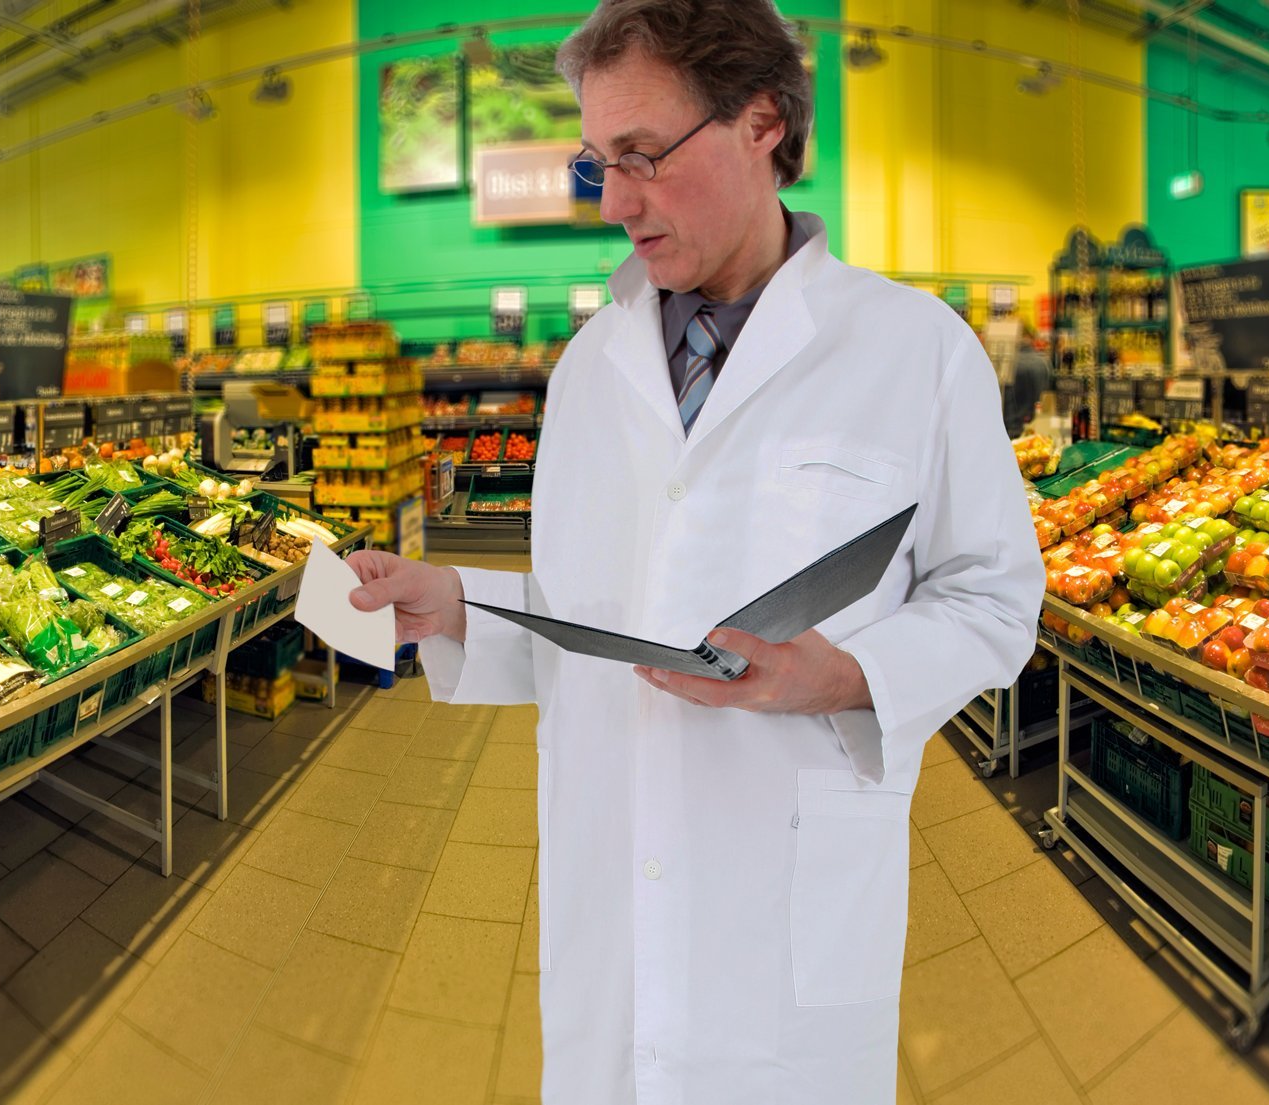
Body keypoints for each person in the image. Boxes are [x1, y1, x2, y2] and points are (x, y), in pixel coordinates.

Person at [345, 2, 1044, 1101]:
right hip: (609, 930)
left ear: (762, 121)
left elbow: (993, 599)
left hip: (785, 941)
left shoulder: (913, 351)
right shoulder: (587, 369)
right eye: (597, 162)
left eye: (642, 157)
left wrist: (852, 674)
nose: (615, 202)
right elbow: (595, 611)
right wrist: (462, 607)